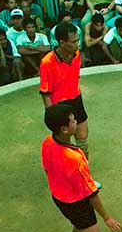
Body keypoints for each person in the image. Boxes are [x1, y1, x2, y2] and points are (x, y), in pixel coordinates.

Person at [41, 103, 122, 232]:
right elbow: (91, 194)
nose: (76, 121)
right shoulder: (75, 159)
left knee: (75, 219)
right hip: (76, 202)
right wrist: (107, 217)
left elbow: (47, 169)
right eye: (72, 120)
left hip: (59, 196)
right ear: (64, 129)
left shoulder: (47, 142)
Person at [40, 22, 94, 162]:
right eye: (74, 41)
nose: (78, 44)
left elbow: (75, 78)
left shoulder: (76, 55)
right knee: (64, 145)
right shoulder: (47, 63)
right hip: (59, 106)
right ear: (62, 42)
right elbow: (45, 93)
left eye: (78, 40)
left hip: (76, 100)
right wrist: (53, 116)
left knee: (83, 139)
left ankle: (84, 174)